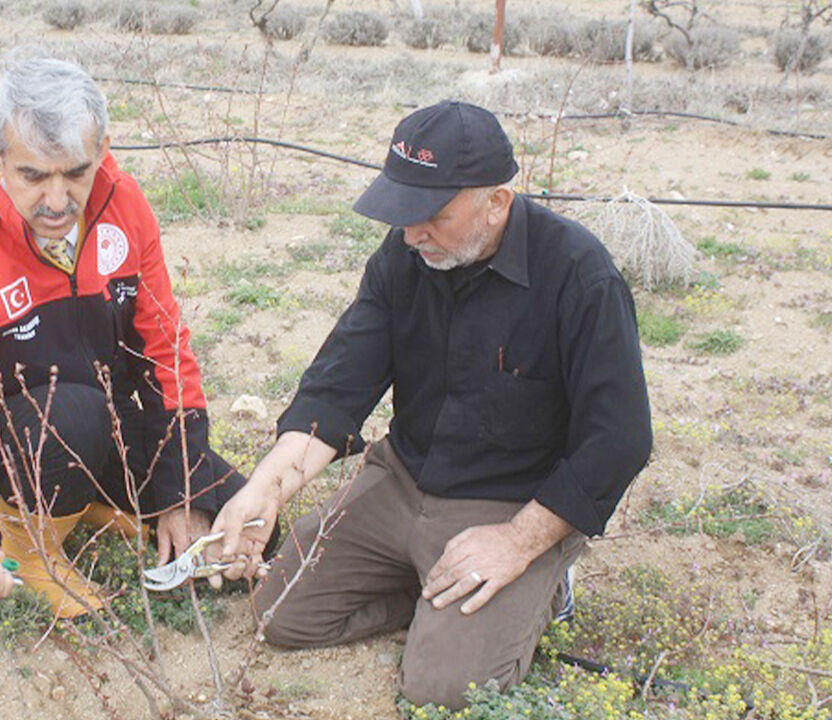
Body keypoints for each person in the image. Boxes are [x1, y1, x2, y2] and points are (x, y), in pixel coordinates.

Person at [209, 101, 653, 709]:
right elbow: (338, 388)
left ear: (496, 202)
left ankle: (547, 583)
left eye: (431, 215)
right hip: (403, 478)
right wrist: (265, 490)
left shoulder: (579, 276)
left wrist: (519, 542)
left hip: (508, 503)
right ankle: (431, 588)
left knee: (442, 689)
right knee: (280, 613)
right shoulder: (404, 257)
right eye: (402, 212)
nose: (412, 232)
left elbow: (619, 438)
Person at [0, 56, 247, 618]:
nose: (57, 201)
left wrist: (183, 492)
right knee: (75, 414)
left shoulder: (123, 204)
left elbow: (165, 351)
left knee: (237, 520)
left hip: (100, 425)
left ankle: (84, 505)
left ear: (102, 150)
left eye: (75, 173)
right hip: (7, 450)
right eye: (34, 176)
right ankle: (27, 544)